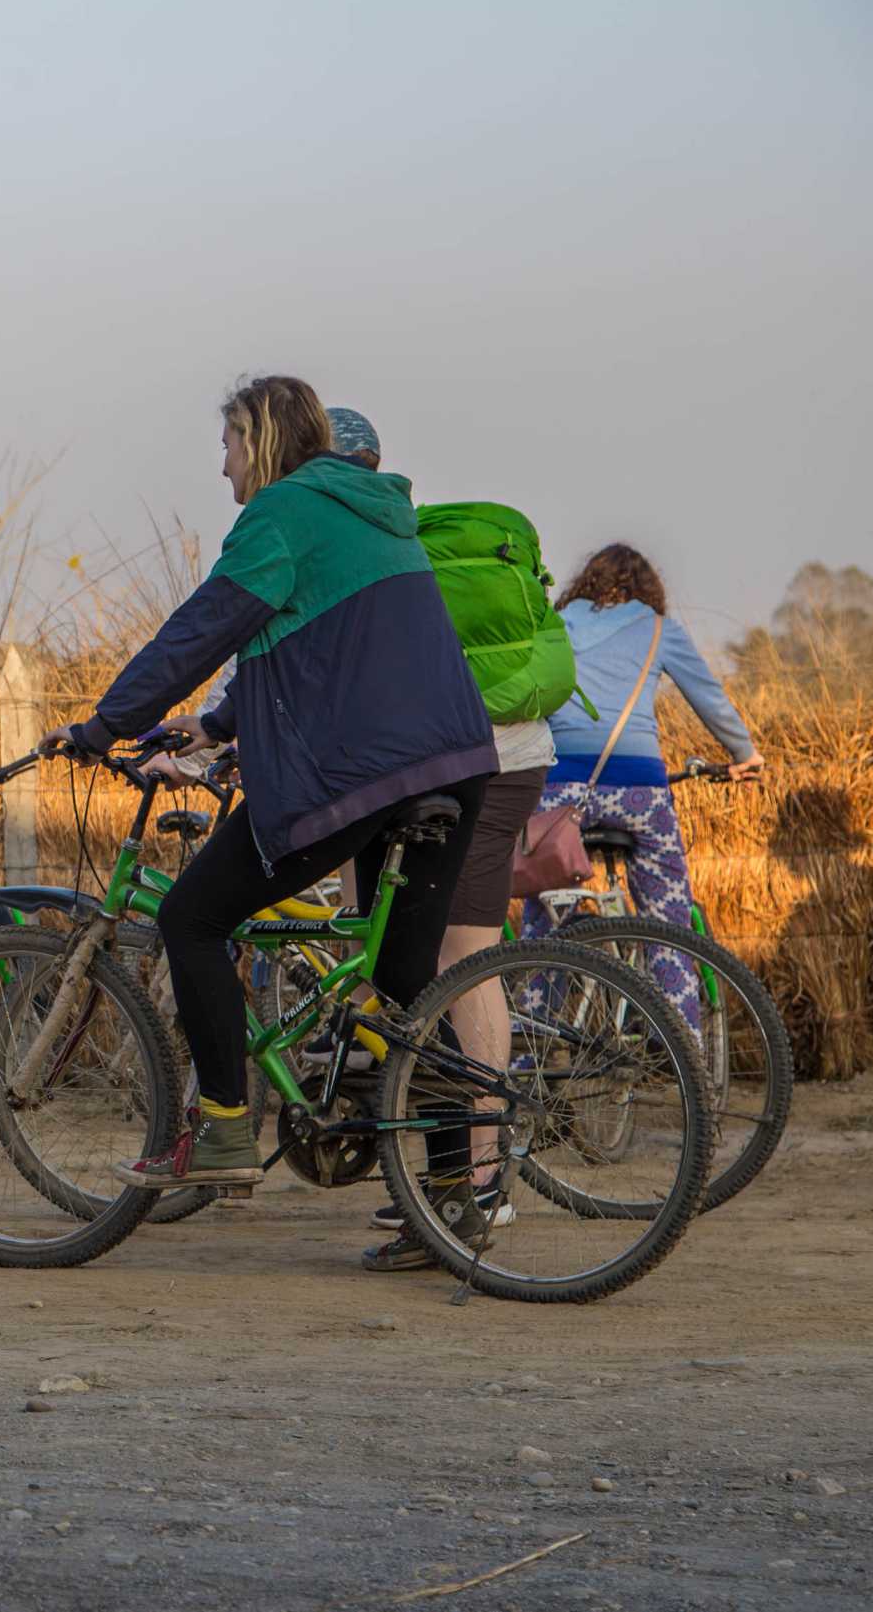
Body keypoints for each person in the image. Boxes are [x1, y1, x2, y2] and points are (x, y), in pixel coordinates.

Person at [43, 376, 495, 1225]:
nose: (222, 470)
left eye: (227, 447)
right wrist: (215, 724)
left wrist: (107, 724)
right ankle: (448, 1203)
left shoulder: (280, 513)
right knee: (403, 990)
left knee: (191, 918)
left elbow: (200, 629)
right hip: (457, 760)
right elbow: (331, 648)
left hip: (358, 770)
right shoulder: (368, 510)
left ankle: (219, 1129)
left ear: (258, 440)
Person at [318, 410, 590, 1271]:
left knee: (461, 954)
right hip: (497, 752)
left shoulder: (373, 550)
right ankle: (451, 1177)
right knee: (407, 950)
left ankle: (476, 1183)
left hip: (480, 762)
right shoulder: (410, 538)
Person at [519, 545, 763, 1023]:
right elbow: (708, 697)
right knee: (668, 916)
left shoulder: (556, 625)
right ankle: (680, 1040)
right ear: (646, 588)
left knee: (544, 916)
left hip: (565, 788)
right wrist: (744, 755)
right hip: (639, 792)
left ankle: (532, 1049)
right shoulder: (658, 629)